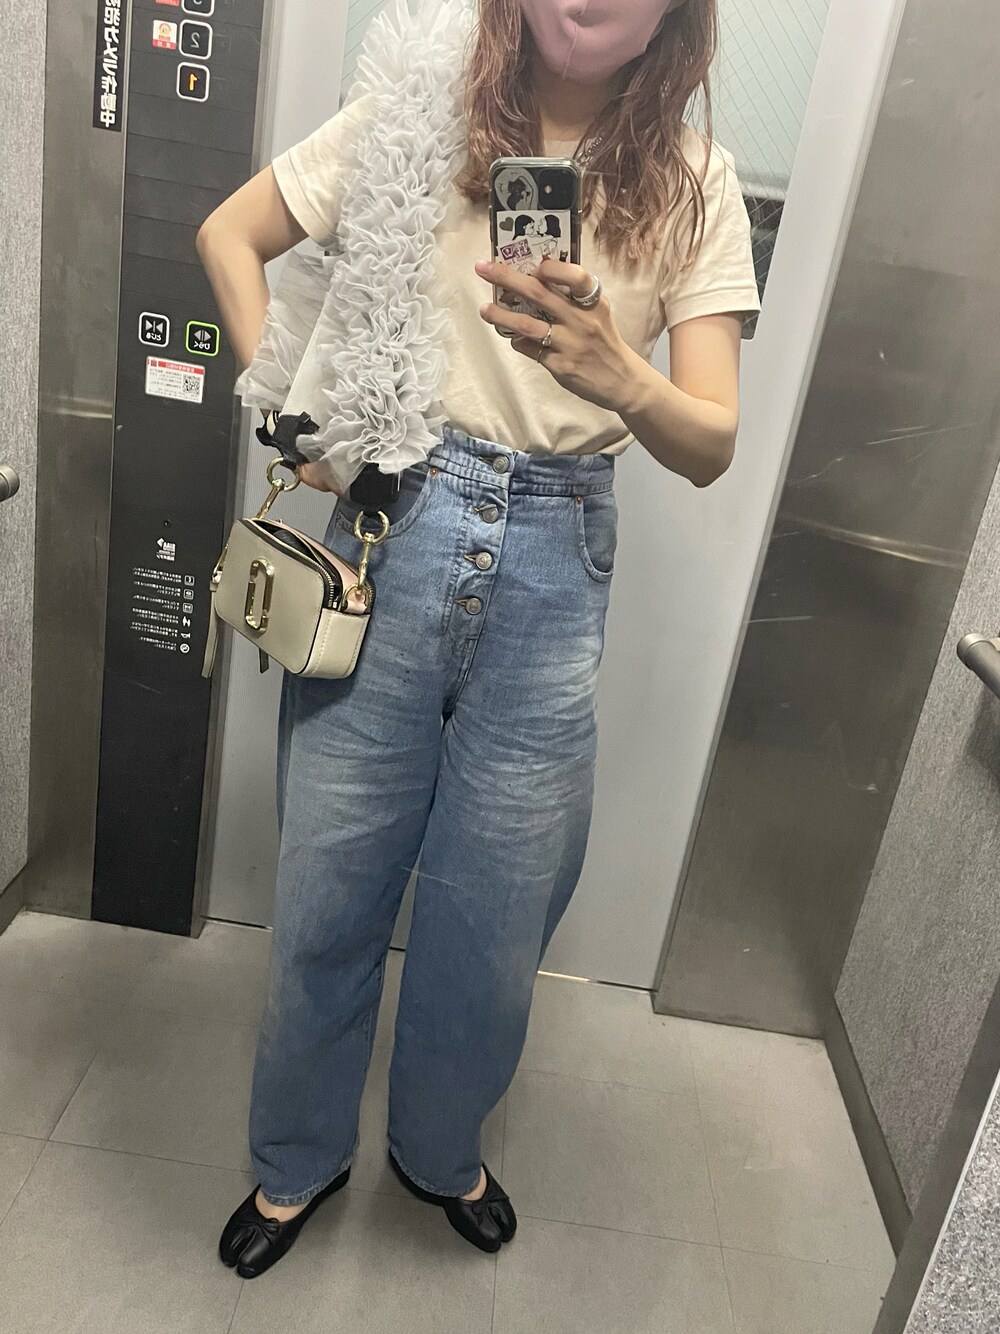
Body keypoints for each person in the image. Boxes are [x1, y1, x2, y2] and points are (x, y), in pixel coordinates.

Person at [196, 0, 760, 1279]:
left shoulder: (694, 183)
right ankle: (297, 1155)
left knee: (498, 914)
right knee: (329, 885)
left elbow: (712, 440)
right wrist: (293, 413)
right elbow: (230, 232)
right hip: (398, 515)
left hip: (558, 556)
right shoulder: (415, 115)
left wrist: (618, 372)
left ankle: (439, 1146)